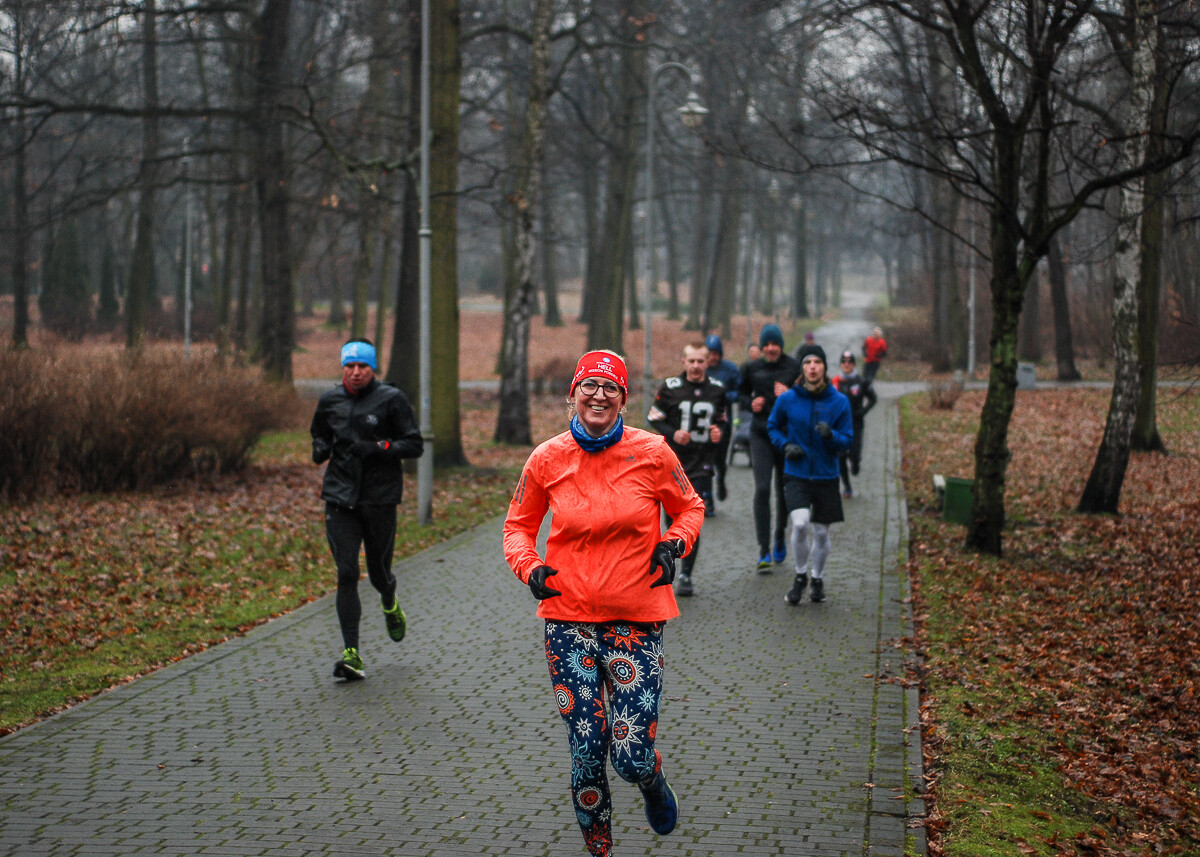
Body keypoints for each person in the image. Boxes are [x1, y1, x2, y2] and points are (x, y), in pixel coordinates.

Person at [503, 350, 705, 857]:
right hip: (567, 621)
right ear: (573, 394)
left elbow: (690, 507)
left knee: (631, 756)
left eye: (609, 387)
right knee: (588, 749)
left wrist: (674, 543)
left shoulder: (653, 452)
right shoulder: (546, 458)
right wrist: (530, 567)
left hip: (635, 618)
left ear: (623, 398)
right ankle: (601, 851)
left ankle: (653, 781)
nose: (598, 395)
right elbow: (517, 528)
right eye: (588, 386)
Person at [310, 339, 424, 680]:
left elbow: (414, 443)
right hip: (340, 498)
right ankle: (352, 653)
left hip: (380, 498)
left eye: (363, 367)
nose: (356, 372)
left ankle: (389, 599)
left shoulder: (391, 399)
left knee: (377, 572)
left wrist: (379, 447)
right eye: (350, 366)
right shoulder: (330, 400)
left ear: (373, 368)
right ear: (343, 368)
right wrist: (320, 448)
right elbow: (318, 433)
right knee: (346, 573)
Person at [767, 343, 852, 605]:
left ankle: (817, 578)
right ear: (802, 369)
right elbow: (772, 426)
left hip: (826, 476)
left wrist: (832, 436)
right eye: (807, 363)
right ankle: (800, 575)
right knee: (801, 523)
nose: (812, 367)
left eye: (817, 362)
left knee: (822, 533)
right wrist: (785, 446)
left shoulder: (839, 401)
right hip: (797, 473)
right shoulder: (788, 399)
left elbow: (848, 439)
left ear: (825, 368)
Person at [648, 341, 729, 595]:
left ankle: (686, 575)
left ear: (708, 362)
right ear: (683, 362)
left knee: (692, 520)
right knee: (671, 519)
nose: (695, 366)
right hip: (673, 463)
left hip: (701, 464)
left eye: (700, 361)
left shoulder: (717, 389)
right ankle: (668, 561)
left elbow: (722, 422)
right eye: (691, 361)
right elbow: (654, 416)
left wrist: (720, 433)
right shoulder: (671, 387)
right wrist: (673, 433)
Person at [737, 324, 801, 571]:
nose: (771, 349)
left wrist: (790, 393)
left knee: (783, 490)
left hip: (786, 436)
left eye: (775, 344)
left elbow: (805, 395)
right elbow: (739, 394)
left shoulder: (793, 367)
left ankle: (779, 535)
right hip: (761, 434)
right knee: (762, 489)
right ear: (761, 347)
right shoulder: (752, 368)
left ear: (781, 346)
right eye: (767, 345)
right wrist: (750, 402)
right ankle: (763, 549)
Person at [831, 351, 877, 499]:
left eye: (849, 361)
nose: (846, 364)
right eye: (844, 361)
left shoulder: (861, 382)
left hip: (856, 424)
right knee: (840, 456)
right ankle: (847, 487)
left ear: (853, 364)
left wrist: (863, 411)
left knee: (854, 455)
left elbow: (873, 399)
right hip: (839, 426)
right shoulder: (835, 382)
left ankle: (856, 464)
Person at [703, 334, 740, 503]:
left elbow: (739, 392)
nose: (712, 357)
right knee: (706, 459)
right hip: (703, 421)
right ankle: (708, 498)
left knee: (719, 459)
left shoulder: (730, 370)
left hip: (723, 421)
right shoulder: (700, 369)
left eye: (715, 353)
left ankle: (721, 478)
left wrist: (724, 396)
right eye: (709, 353)